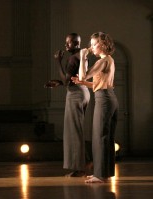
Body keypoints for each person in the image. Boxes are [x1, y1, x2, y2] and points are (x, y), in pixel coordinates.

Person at [72, 32, 118, 183]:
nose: (91, 47)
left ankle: (100, 174)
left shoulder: (102, 62)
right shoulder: (109, 60)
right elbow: (99, 84)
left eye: (93, 44)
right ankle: (103, 173)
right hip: (109, 97)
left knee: (100, 137)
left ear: (103, 44)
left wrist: (83, 57)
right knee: (106, 137)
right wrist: (83, 84)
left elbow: (83, 75)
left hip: (104, 100)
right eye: (90, 45)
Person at [45, 33, 90, 177]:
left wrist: (58, 61)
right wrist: (58, 82)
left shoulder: (73, 58)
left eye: (68, 43)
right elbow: (70, 79)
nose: (66, 45)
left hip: (75, 94)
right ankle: (86, 161)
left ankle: (80, 168)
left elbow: (67, 80)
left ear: (76, 43)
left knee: (73, 132)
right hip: (83, 92)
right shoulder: (82, 56)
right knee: (77, 130)